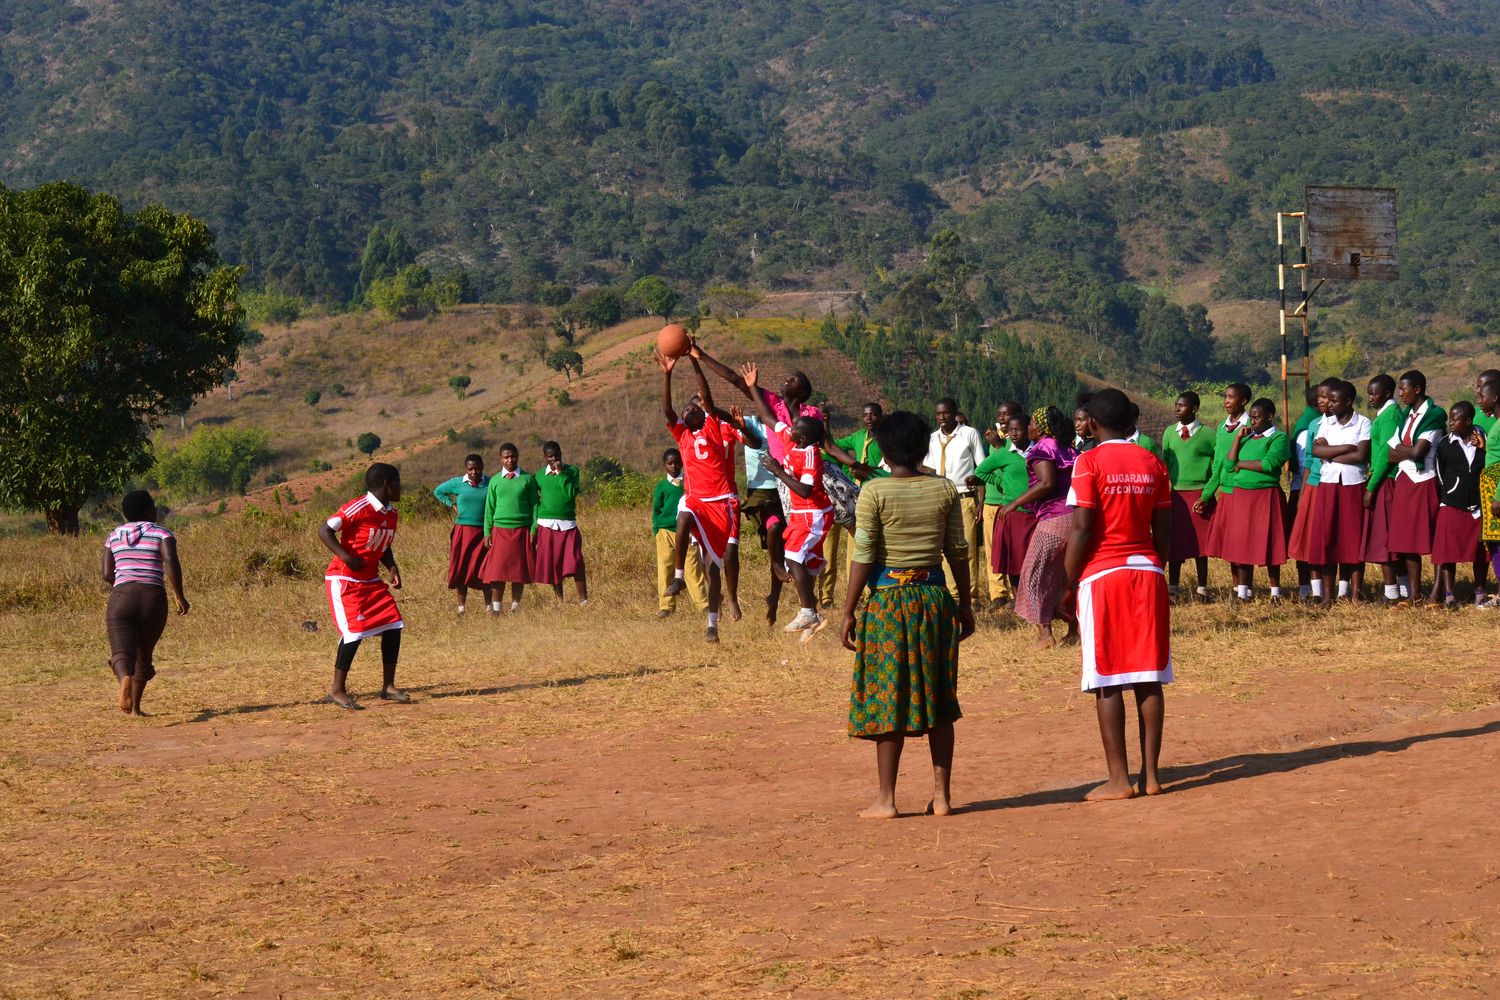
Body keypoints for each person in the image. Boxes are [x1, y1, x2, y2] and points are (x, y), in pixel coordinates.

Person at [841, 410, 974, 819]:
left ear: (883, 448)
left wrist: (848, 612)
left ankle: (886, 799)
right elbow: (958, 552)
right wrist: (965, 604)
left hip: (888, 603)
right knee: (939, 697)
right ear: (923, 448)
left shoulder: (874, 493)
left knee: (887, 697)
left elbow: (863, 557)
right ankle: (943, 796)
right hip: (935, 600)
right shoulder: (944, 490)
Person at [1063, 388, 1172, 801]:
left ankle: (1117, 780)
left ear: (1090, 422)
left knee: (1107, 679)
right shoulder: (1152, 460)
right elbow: (1164, 528)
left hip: (1103, 575)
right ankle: (1153, 776)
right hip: (1147, 572)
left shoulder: (1088, 462)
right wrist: (1156, 567)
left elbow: (1082, 528)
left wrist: (1066, 582)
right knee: (1149, 677)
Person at [657, 350, 744, 643]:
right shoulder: (682, 436)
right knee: (683, 513)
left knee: (713, 567)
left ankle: (712, 625)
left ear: (701, 414)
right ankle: (679, 575)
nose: (687, 412)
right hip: (697, 500)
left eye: (691, 410)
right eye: (685, 412)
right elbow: (668, 410)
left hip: (721, 503)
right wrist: (667, 374)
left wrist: (694, 360)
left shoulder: (712, 428)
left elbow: (706, 397)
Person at [746, 363, 834, 638]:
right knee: (800, 563)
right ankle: (813, 616)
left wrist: (778, 472)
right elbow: (768, 417)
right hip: (800, 513)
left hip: (813, 513)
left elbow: (806, 491)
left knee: (793, 557)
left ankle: (808, 612)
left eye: (794, 429)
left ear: (805, 437)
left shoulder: (811, 456)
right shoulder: (792, 439)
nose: (788, 429)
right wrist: (752, 387)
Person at [319, 463, 407, 709]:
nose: (402, 487)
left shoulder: (391, 513)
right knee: (354, 631)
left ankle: (388, 686)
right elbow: (324, 530)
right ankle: (337, 690)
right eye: (398, 482)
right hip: (345, 579)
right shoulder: (358, 507)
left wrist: (391, 567)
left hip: (370, 580)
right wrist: (347, 557)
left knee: (393, 624)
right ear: (387, 484)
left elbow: (383, 543)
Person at [103, 490, 189, 716]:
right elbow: (171, 561)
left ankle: (124, 678)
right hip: (153, 599)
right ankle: (137, 709)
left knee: (121, 652)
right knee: (144, 653)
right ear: (149, 512)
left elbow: (106, 573)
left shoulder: (114, 535)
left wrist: (123, 583)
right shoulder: (162, 533)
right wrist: (179, 595)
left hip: (122, 598)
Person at [1007, 405, 1080, 648]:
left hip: (1053, 519)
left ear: (1040, 427)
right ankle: (1074, 629)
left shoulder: (1043, 448)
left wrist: (1015, 503)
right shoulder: (1070, 449)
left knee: (1032, 574)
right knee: (1068, 577)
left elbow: (1047, 483)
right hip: (1077, 519)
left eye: (1031, 424)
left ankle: (1045, 633)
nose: (1028, 427)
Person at [1217, 398, 1291, 601]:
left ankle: (1275, 592)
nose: (1253, 421)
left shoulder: (1278, 438)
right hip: (1242, 495)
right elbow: (1228, 464)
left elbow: (1269, 464)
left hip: (1266, 495)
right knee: (1243, 543)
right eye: (1251, 418)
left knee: (1270, 542)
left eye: (1257, 417)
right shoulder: (1247, 438)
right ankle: (1243, 591)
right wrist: (1237, 439)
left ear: (1269, 416)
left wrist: (1241, 463)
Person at [818, 402, 888, 610]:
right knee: (827, 549)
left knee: (858, 550)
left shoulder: (885, 439)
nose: (869, 419)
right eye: (866, 415)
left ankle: (861, 594)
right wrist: (825, 425)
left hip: (868, 496)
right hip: (844, 496)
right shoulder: (858, 437)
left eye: (873, 415)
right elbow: (833, 447)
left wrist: (868, 472)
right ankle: (826, 597)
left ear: (880, 417)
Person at [1306, 380, 1371, 604]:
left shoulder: (1363, 423)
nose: (1329, 405)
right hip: (1328, 484)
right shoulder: (1326, 423)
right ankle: (1328, 594)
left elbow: (1361, 456)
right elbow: (1316, 450)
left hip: (1354, 485)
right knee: (1327, 538)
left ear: (1348, 401)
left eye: (1334, 401)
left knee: (1353, 538)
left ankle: (1355, 593)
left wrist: (1329, 453)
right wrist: (1345, 448)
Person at [1386, 370, 1446, 604]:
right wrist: (1405, 449)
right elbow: (1391, 454)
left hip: (1425, 480)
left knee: (1433, 538)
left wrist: (1403, 449)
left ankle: (1438, 592)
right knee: (1407, 541)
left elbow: (1419, 451)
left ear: (1418, 389)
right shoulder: (1406, 415)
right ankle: (1414, 593)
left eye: (1404, 389)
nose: (1400, 393)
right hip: (1405, 480)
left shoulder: (1434, 414)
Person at [922, 397, 989, 606]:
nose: (942, 418)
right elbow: (930, 468)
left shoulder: (969, 434)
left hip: (963, 496)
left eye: (946, 413)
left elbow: (982, 467)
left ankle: (970, 595)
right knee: (940, 547)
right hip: (939, 497)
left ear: (955, 413)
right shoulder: (933, 438)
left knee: (966, 548)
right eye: (938, 414)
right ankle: (950, 593)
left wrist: (980, 501)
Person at [1160, 391, 1215, 601]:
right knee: (1175, 544)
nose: (1177, 409)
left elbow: (1218, 465)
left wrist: (1207, 493)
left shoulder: (1209, 434)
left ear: (1194, 408)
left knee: (1201, 546)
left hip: (1200, 494)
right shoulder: (1168, 433)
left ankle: (1202, 589)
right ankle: (1173, 588)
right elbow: (1165, 464)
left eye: (1181, 405)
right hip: (1176, 495)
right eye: (1176, 405)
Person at [1196, 382, 1252, 589]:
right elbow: (1218, 464)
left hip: (1243, 490)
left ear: (1243, 401)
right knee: (1231, 541)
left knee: (1243, 540)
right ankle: (1237, 587)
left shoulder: (1250, 427)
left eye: (1230, 397)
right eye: (1225, 397)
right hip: (1227, 492)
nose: (1226, 401)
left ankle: (1246, 588)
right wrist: (1206, 494)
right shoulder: (1222, 426)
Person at [974, 405, 1030, 606]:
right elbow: (982, 471)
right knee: (1007, 555)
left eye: (1018, 428)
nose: (1013, 433)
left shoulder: (1033, 447)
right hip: (1005, 506)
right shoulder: (1000, 445)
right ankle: (1008, 597)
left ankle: (1028, 596)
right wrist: (1003, 483)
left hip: (1033, 509)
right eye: (1000, 415)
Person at [1432, 402, 1485, 609]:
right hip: (1452, 504)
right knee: (1447, 551)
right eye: (1450, 419)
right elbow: (1440, 472)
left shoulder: (1483, 439)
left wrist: (1484, 446)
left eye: (1455, 419)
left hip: (1478, 505)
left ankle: (1480, 591)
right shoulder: (1445, 444)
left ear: (1468, 421)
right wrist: (1451, 493)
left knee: (1480, 552)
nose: (1450, 423)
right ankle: (1449, 595)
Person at [738, 408, 788, 624]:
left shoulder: (780, 426)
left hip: (783, 487)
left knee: (782, 548)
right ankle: (775, 564)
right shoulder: (748, 422)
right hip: (760, 490)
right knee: (774, 527)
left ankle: (773, 599)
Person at [1361, 374, 1404, 603]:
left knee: (1384, 537)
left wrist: (1371, 486)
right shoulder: (1385, 414)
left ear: (1387, 393)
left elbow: (1386, 455)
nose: (1370, 397)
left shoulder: (1389, 416)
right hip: (1382, 477)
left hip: (1385, 479)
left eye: (1374, 393)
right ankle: (1405, 590)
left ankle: (1393, 592)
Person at [652, 448, 709, 618]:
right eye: (670, 463)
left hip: (688, 533)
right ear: (664, 466)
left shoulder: (689, 484)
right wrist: (657, 530)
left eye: (677, 463)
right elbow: (656, 510)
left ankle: (703, 604)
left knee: (693, 568)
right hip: (665, 532)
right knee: (665, 568)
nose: (674, 466)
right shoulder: (661, 486)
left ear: (682, 464)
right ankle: (666, 606)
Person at [481, 443, 537, 613]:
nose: (510, 460)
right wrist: (487, 532)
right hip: (500, 530)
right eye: (506, 457)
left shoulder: (528, 479)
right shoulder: (495, 481)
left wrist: (534, 529)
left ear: (517, 457)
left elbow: (535, 506)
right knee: (498, 572)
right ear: (500, 459)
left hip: (521, 530)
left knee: (518, 572)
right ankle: (497, 609)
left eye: (513, 456)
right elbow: (489, 508)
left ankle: (515, 607)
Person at [433, 454, 492, 615]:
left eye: (477, 468)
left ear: (482, 467)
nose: (474, 472)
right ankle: (461, 609)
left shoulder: (490, 482)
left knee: (484, 568)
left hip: (483, 532)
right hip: (463, 531)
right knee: (461, 567)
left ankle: (489, 607)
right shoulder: (457, 483)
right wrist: (451, 504)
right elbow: (438, 491)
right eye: (470, 469)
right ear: (466, 469)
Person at [532, 441, 588, 605]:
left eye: (557, 455)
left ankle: (583, 600)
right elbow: (535, 502)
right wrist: (534, 527)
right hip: (546, 524)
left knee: (576, 562)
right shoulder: (540, 476)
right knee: (553, 564)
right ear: (545, 457)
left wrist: (562, 473)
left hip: (568, 525)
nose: (554, 459)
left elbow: (571, 493)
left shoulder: (572, 471)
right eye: (550, 456)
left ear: (561, 454)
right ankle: (560, 601)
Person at [1475, 378, 1500, 608]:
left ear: (1495, 398)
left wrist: (1498, 496)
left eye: (1482, 397)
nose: (1478, 401)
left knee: (1498, 543)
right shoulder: (1496, 422)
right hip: (1491, 487)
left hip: (1497, 491)